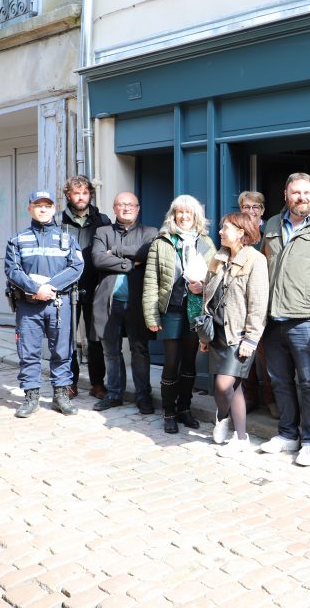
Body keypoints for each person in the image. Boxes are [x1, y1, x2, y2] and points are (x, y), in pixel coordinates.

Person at [259, 172, 310, 467]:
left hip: (307, 319)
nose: (301, 198)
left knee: (309, 382)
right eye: (295, 193)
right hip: (272, 319)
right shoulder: (271, 224)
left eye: (306, 193)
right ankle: (287, 434)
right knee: (280, 381)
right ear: (286, 195)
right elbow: (261, 271)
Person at [4, 190, 84, 418]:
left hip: (59, 304)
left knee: (62, 352)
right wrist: (35, 289)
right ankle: (31, 397)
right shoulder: (17, 239)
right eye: (37, 205)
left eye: (47, 206)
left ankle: (61, 396)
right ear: (29, 208)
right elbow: (12, 270)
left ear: (53, 209)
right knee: (28, 352)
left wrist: (50, 287)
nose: (42, 209)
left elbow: (76, 267)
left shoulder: (67, 238)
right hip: (29, 305)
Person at [143, 195, 217, 434]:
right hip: (172, 309)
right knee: (172, 362)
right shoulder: (161, 242)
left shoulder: (206, 242)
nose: (184, 217)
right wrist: (151, 316)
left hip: (196, 311)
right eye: (179, 212)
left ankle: (185, 408)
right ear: (173, 216)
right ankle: (169, 411)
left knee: (190, 362)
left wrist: (203, 285)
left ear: (196, 216)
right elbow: (151, 282)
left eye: (189, 213)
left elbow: (217, 277)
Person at [200, 212, 269, 456]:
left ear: (241, 232)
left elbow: (258, 303)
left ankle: (222, 417)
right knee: (233, 388)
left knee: (222, 385)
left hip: (238, 335)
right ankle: (240, 437)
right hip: (216, 332)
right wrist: (204, 336)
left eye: (225, 228)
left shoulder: (255, 260)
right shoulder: (217, 258)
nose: (220, 231)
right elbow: (208, 296)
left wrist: (250, 338)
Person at [91, 192, 158, 414]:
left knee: (140, 350)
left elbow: (147, 253)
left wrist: (117, 251)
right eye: (121, 204)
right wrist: (131, 264)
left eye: (130, 204)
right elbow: (98, 258)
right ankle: (114, 394)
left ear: (138, 208)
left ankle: (143, 396)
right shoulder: (103, 232)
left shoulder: (150, 233)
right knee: (111, 351)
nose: (126, 208)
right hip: (109, 304)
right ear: (114, 208)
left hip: (137, 303)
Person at [59, 175, 112, 399]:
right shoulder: (58, 222)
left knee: (95, 337)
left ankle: (97, 383)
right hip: (68, 287)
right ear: (69, 195)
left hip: (95, 286)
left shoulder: (103, 220)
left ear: (90, 194)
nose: (81, 197)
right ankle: (70, 382)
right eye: (76, 193)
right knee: (69, 337)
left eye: (85, 193)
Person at [238, 190, 277, 418]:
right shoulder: (235, 229)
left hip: (264, 300)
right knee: (244, 356)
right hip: (240, 301)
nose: (251, 211)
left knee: (267, 356)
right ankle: (250, 396)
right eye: (246, 207)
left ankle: (272, 399)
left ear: (262, 210)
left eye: (256, 207)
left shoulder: (270, 231)